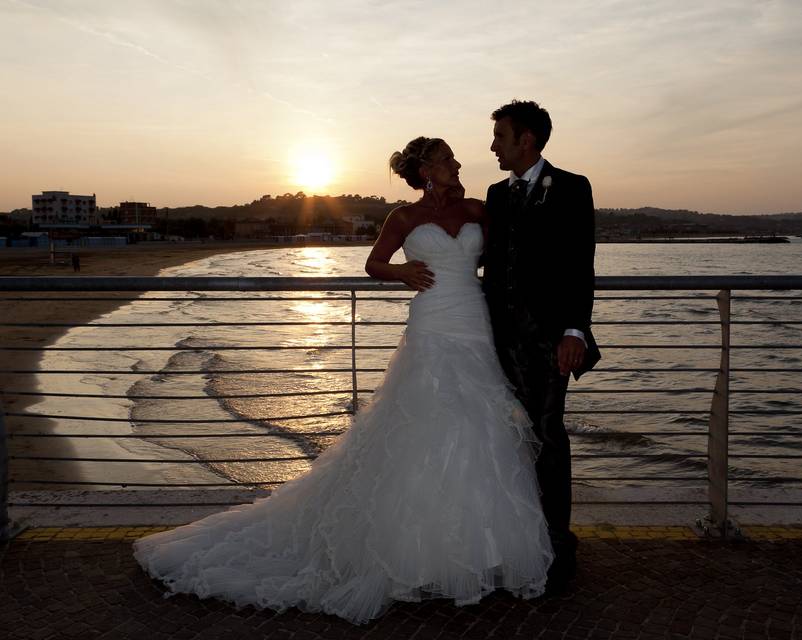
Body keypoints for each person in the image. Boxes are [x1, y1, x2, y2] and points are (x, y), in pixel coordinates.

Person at [133, 136, 553, 625]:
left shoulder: (481, 209)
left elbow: (504, 261)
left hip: (474, 321)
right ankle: (413, 552)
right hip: (432, 323)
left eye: (452, 158)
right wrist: (402, 272)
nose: (456, 163)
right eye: (445, 158)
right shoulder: (402, 218)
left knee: (479, 427)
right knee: (425, 425)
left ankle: (482, 550)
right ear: (425, 170)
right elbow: (373, 264)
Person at [482, 100, 600, 594]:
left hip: (551, 341)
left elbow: (581, 263)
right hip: (497, 342)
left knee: (549, 435)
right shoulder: (494, 193)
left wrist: (575, 331)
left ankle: (556, 547)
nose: (493, 146)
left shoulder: (572, 187)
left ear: (526, 139)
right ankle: (514, 539)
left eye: (501, 137)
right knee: (507, 440)